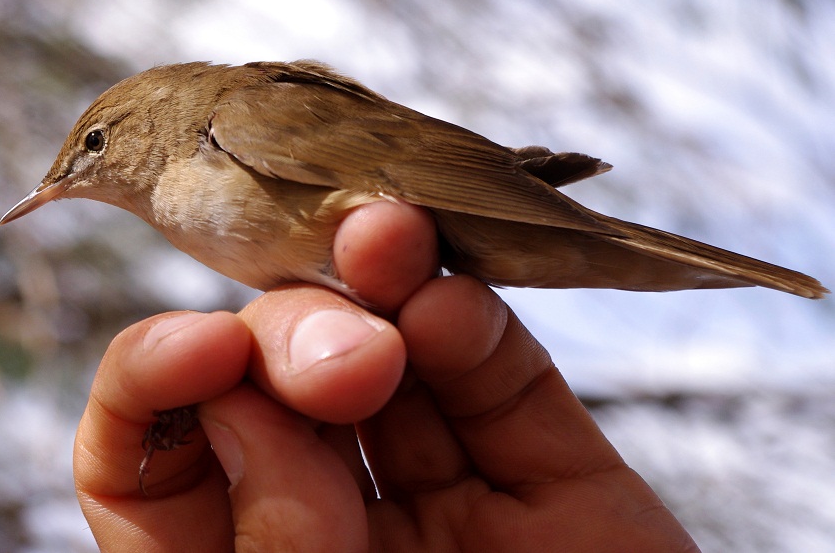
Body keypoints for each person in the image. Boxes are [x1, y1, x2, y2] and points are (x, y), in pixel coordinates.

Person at [73, 201, 700, 552]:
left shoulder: (229, 121)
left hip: (430, 248)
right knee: (321, 342)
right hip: (408, 334)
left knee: (340, 327)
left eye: (96, 143)